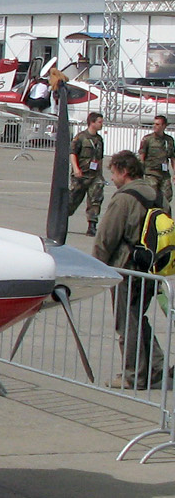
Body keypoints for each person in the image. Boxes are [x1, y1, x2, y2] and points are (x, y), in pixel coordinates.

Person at [95, 151, 167, 389]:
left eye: (114, 173)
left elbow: (107, 236)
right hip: (151, 267)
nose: (112, 178)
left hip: (126, 267)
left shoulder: (123, 198)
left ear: (124, 171)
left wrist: (96, 266)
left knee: (127, 322)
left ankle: (133, 375)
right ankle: (155, 367)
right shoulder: (158, 195)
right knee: (138, 317)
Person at [69, 111, 106, 236]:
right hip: (81, 174)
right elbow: (73, 153)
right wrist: (76, 169)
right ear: (92, 122)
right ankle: (61, 219)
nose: (102, 124)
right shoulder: (80, 137)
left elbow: (99, 158)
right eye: (100, 122)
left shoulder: (99, 139)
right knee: (72, 200)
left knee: (95, 200)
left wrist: (100, 174)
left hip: (94, 175)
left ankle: (92, 225)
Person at [140, 115, 175, 208]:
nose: (154, 126)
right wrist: (140, 173)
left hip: (164, 174)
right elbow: (142, 156)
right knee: (151, 195)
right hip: (151, 173)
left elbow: (172, 157)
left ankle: (164, 218)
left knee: (167, 197)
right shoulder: (148, 139)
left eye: (158, 124)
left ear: (164, 126)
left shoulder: (169, 140)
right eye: (154, 124)